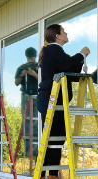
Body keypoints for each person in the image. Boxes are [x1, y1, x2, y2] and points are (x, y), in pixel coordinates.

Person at [37, 24, 90, 179]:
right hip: (50, 100)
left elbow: (70, 71)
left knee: (57, 138)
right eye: (64, 32)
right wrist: (81, 54)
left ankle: (52, 175)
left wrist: (80, 60)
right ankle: (43, 175)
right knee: (51, 139)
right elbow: (69, 64)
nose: (66, 34)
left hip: (55, 101)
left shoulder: (55, 51)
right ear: (57, 36)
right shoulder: (54, 49)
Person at [14, 47, 38, 156]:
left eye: (32, 57)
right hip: (26, 96)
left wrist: (34, 74)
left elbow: (44, 80)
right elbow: (16, 82)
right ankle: (28, 148)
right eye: (30, 57)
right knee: (27, 120)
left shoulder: (39, 67)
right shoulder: (22, 68)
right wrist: (22, 75)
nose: (31, 59)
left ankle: (36, 148)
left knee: (37, 121)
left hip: (38, 96)